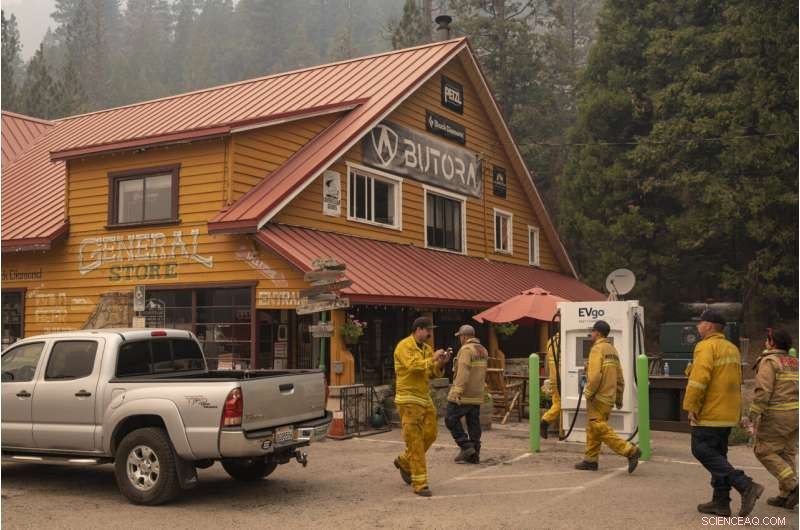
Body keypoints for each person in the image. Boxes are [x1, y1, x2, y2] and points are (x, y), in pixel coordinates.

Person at [683, 309, 763, 517]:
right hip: (727, 413)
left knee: (700, 450)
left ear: (709, 326)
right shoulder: (731, 348)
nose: (697, 326)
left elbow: (699, 380)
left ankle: (745, 485)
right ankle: (721, 503)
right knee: (718, 457)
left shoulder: (705, 347)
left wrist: (691, 406)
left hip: (710, 412)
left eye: (700, 323)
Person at [393, 316, 451, 497]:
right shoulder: (404, 346)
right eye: (428, 330)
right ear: (418, 329)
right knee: (415, 440)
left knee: (431, 433)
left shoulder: (427, 349)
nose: (430, 334)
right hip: (408, 399)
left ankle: (404, 460)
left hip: (424, 398)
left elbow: (431, 373)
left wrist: (441, 363)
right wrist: (432, 359)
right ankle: (420, 483)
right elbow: (412, 366)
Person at [574, 320, 641, 472]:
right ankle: (590, 460)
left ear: (597, 333)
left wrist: (589, 392)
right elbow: (620, 377)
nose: (590, 334)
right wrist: (618, 397)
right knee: (593, 428)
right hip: (609, 397)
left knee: (598, 426)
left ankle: (630, 450)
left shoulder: (597, 349)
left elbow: (595, 376)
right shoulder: (612, 349)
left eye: (592, 331)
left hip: (598, 397)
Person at [745, 328, 798, 510]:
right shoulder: (794, 361)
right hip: (795, 415)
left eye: (768, 339)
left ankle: (793, 485)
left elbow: (763, 390)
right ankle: (785, 495)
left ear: (772, 342)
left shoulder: (770, 361)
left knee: (763, 450)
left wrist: (753, 414)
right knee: (786, 453)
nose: (765, 342)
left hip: (777, 415)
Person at [445, 324, 488, 464]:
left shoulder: (466, 350)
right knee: (473, 423)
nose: (460, 340)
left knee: (450, 418)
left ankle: (466, 446)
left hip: (464, 394)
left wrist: (457, 391)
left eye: (460, 337)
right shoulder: (483, 350)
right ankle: (474, 454)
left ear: (463, 337)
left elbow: (463, 371)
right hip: (477, 393)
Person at [540, 332, 560, 439]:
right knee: (560, 404)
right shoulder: (564, 341)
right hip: (562, 378)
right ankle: (545, 421)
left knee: (557, 402)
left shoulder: (550, 341)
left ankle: (561, 431)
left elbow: (547, 362)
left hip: (554, 377)